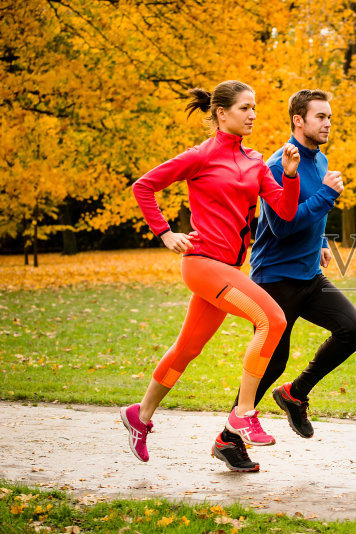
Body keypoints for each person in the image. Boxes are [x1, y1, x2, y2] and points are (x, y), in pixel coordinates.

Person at [120, 80, 301, 468]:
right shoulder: (200, 156)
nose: (253, 115)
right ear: (222, 113)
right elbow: (144, 187)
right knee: (272, 320)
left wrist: (289, 175)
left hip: (228, 269)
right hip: (202, 264)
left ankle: (140, 414)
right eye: (244, 108)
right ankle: (243, 414)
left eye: (254, 108)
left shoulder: (255, 162)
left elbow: (285, 211)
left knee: (187, 348)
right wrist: (165, 233)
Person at [211, 89, 356, 472]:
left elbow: (310, 212)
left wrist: (321, 242)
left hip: (309, 276)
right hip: (275, 279)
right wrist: (328, 196)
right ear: (298, 120)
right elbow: (282, 225)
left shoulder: (320, 158)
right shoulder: (280, 165)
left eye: (329, 117)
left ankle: (295, 395)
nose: (327, 123)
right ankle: (228, 438)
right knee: (271, 363)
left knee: (353, 330)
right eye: (320, 117)